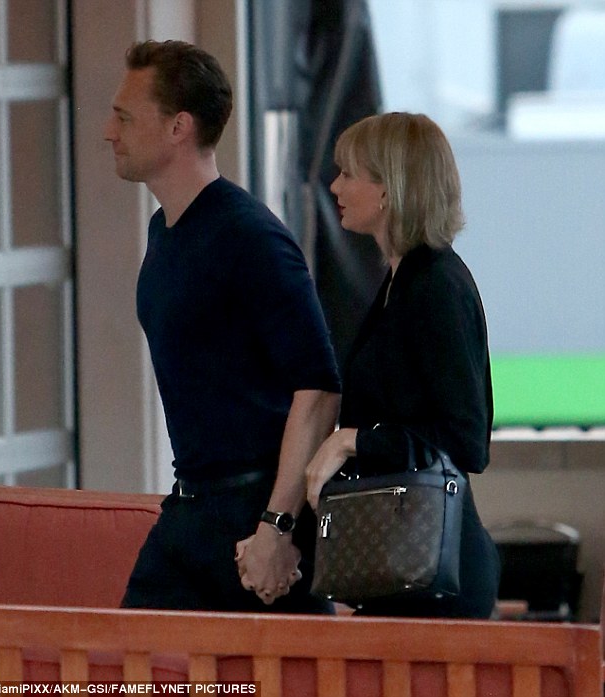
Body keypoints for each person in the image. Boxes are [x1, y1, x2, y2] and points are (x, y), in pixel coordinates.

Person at [104, 40, 341, 612]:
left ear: (178, 127)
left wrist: (276, 526)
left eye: (125, 117)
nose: (110, 132)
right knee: (127, 654)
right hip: (192, 507)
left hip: (256, 517)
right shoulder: (164, 230)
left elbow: (319, 387)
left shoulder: (250, 237)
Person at [305, 112, 500, 619]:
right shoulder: (403, 280)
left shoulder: (436, 286)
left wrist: (352, 440)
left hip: (435, 572)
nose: (335, 186)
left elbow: (465, 440)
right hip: (404, 560)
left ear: (389, 190)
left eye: (349, 173)